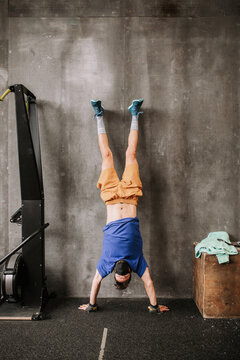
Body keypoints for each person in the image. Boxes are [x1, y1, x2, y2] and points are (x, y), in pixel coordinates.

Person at [78, 99, 169, 313]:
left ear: (115, 276)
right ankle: (135, 114)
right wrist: (154, 306)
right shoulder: (137, 263)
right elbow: (148, 283)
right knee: (131, 154)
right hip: (130, 195)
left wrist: (91, 305)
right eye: (124, 274)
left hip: (110, 196)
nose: (121, 271)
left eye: (118, 275)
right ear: (129, 276)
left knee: (107, 155)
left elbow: (96, 282)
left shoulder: (106, 264)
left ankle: (98, 115)